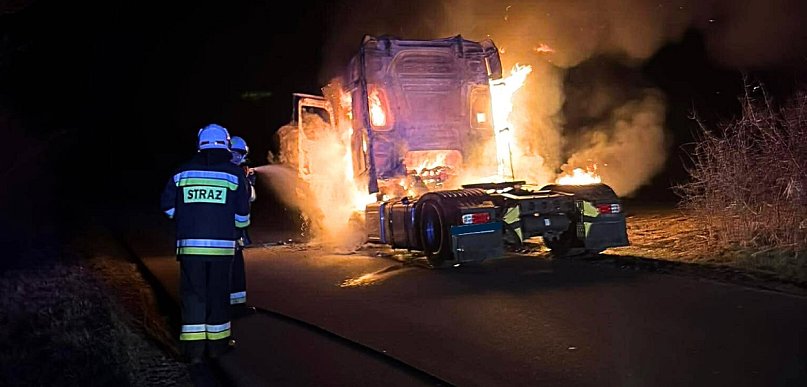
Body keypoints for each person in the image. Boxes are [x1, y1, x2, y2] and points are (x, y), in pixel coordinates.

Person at [160, 123, 251, 364]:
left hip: (190, 249)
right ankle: (217, 348)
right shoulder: (234, 175)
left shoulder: (181, 173)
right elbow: (243, 216)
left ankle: (193, 352)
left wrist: (189, 218)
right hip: (222, 250)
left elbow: (168, 208)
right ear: (226, 144)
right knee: (218, 296)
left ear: (200, 144)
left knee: (193, 296)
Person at [228, 135, 256, 314]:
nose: (239, 158)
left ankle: (233, 305)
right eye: (237, 154)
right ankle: (236, 308)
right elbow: (248, 199)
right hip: (231, 233)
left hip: (219, 232)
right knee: (234, 269)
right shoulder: (236, 174)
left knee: (231, 269)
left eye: (241, 155)